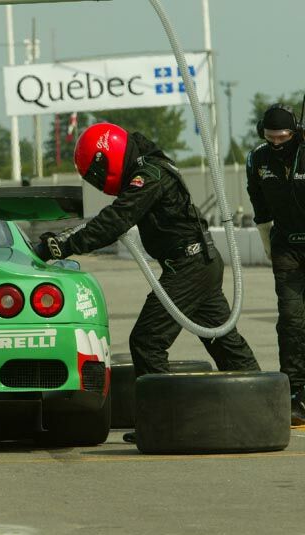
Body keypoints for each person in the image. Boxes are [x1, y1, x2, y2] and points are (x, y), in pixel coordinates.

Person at [34, 122, 260, 441]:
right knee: (223, 341)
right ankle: (262, 408)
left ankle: (164, 425)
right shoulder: (150, 169)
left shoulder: (149, 176)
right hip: (199, 263)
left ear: (107, 159)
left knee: (147, 340)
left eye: (95, 174)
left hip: (189, 265)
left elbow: (114, 221)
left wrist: (57, 246)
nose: (97, 182)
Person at [246, 103, 305, 425]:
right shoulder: (257, 158)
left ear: (294, 132)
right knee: (292, 320)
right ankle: (294, 393)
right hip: (286, 248)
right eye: (271, 138)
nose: (277, 144)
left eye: (283, 138)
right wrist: (269, 246)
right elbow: (259, 207)